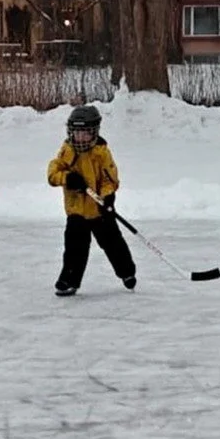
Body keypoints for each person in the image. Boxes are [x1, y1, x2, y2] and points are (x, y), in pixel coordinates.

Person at [45, 105, 138, 296]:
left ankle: (126, 272)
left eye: (85, 133)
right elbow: (53, 173)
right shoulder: (67, 151)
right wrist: (68, 179)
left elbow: (109, 180)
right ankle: (69, 280)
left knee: (113, 244)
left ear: (94, 132)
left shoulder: (101, 153)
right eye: (76, 133)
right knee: (74, 248)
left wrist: (107, 197)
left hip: (98, 210)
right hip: (76, 211)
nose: (80, 138)